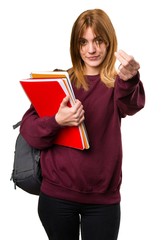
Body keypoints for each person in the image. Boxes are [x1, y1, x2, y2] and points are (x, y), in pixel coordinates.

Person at [20, 8, 145, 240]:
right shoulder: (59, 81)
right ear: (76, 46)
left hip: (102, 201)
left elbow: (132, 105)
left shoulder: (117, 84)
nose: (91, 49)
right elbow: (30, 132)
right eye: (84, 42)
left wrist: (130, 79)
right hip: (56, 197)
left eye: (98, 41)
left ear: (109, 42)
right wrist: (58, 121)